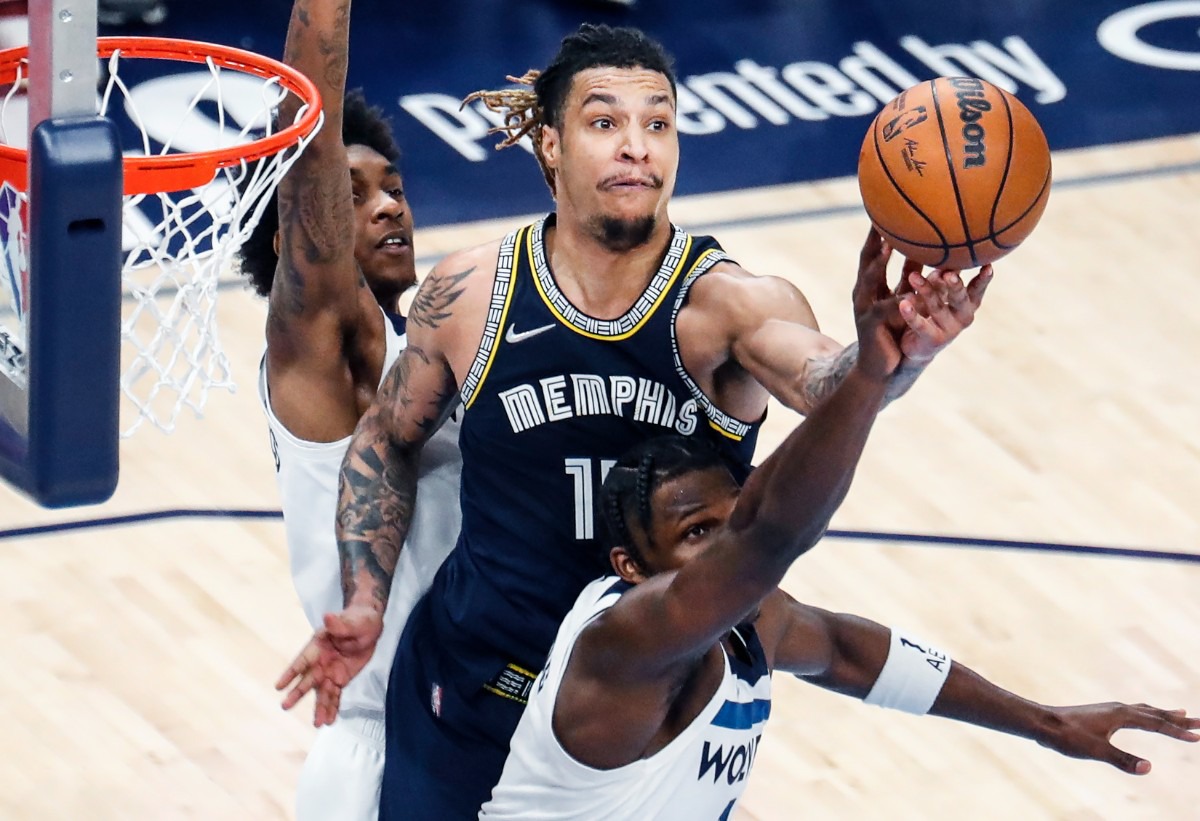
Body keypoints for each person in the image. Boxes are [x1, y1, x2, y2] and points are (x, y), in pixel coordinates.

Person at [277, 23, 990, 818]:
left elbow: (824, 382)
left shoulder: (731, 304)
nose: (637, 147)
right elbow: (386, 439)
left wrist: (894, 357)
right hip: (471, 684)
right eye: (605, 122)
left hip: (639, 709)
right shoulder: (471, 292)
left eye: (657, 123)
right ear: (550, 145)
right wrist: (367, 597)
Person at [479, 259, 1200, 818]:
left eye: (729, 518)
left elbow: (851, 653)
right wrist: (870, 374)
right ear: (631, 566)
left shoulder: (750, 621)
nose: (725, 543)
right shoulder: (627, 640)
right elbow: (768, 537)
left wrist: (1045, 722)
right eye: (698, 533)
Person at [240, 1, 462, 818]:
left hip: (491, 720)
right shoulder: (333, 350)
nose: (388, 205)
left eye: (395, 188)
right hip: (385, 746)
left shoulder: (436, 344)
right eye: (355, 191)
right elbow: (309, 155)